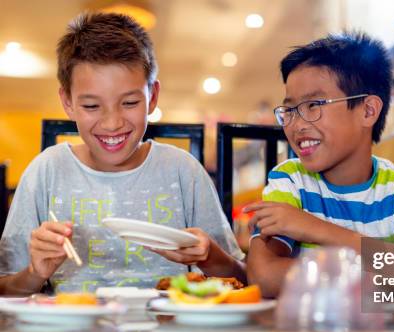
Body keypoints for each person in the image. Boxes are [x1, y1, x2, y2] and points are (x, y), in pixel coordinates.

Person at [0, 12, 245, 296]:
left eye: (129, 102)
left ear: (152, 97)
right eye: (92, 106)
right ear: (67, 102)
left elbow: (243, 279)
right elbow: (5, 289)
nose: (112, 122)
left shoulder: (182, 170)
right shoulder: (47, 171)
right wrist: (35, 273)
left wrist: (210, 257)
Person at [246, 32, 394, 298]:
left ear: (368, 111)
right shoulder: (290, 180)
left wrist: (312, 228)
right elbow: (264, 277)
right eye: (290, 110)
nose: (297, 124)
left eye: (314, 105)